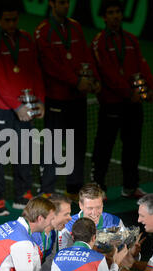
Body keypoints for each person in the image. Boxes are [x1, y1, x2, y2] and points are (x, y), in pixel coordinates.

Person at [0, 3, 45, 216]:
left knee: (25, 152)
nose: (11, 24)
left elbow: (35, 70)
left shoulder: (26, 39)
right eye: (6, 20)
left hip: (26, 107)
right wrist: (16, 106)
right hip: (2, 108)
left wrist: (40, 101)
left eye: (14, 20)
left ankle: (22, 194)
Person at [90, 0, 153, 199]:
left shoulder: (131, 40)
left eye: (118, 12)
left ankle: (130, 186)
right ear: (104, 16)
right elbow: (108, 73)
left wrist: (151, 88)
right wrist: (129, 93)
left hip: (133, 105)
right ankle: (98, 188)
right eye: (111, 12)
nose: (115, 16)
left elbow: (142, 65)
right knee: (104, 147)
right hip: (112, 103)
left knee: (132, 146)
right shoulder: (99, 42)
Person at [34, 0, 100, 201]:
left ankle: (74, 189)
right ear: (52, 4)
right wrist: (75, 81)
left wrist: (92, 79)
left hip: (77, 98)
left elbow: (86, 56)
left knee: (77, 145)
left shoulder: (75, 26)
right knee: (53, 145)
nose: (66, 6)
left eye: (68, 2)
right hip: (57, 97)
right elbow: (49, 65)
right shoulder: (43, 31)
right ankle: (47, 190)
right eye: (62, 2)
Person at [45, 217, 127, 271]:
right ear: (94, 238)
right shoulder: (97, 258)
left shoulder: (58, 255)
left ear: (72, 237)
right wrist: (115, 264)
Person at [59, 182, 125, 250]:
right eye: (90, 208)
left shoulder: (115, 222)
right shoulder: (67, 226)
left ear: (102, 204)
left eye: (98, 207)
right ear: (81, 205)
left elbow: (124, 249)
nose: (94, 213)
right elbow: (63, 255)